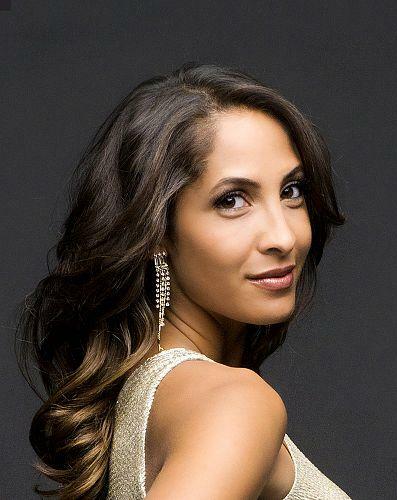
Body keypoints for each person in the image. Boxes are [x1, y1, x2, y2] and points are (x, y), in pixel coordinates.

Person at [16, 62, 352, 499]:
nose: (284, 237)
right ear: (156, 231)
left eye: (291, 191)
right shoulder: (234, 404)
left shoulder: (150, 398)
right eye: (232, 200)